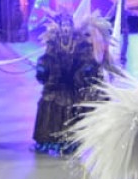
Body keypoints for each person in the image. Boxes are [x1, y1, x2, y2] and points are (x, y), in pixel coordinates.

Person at [32, 10, 105, 154]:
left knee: (70, 104)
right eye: (63, 25)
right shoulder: (53, 42)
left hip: (73, 82)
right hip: (56, 83)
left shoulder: (80, 42)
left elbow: (86, 60)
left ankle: (69, 141)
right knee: (48, 102)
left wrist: (87, 68)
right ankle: (47, 140)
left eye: (68, 25)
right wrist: (42, 67)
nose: (65, 28)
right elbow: (47, 59)